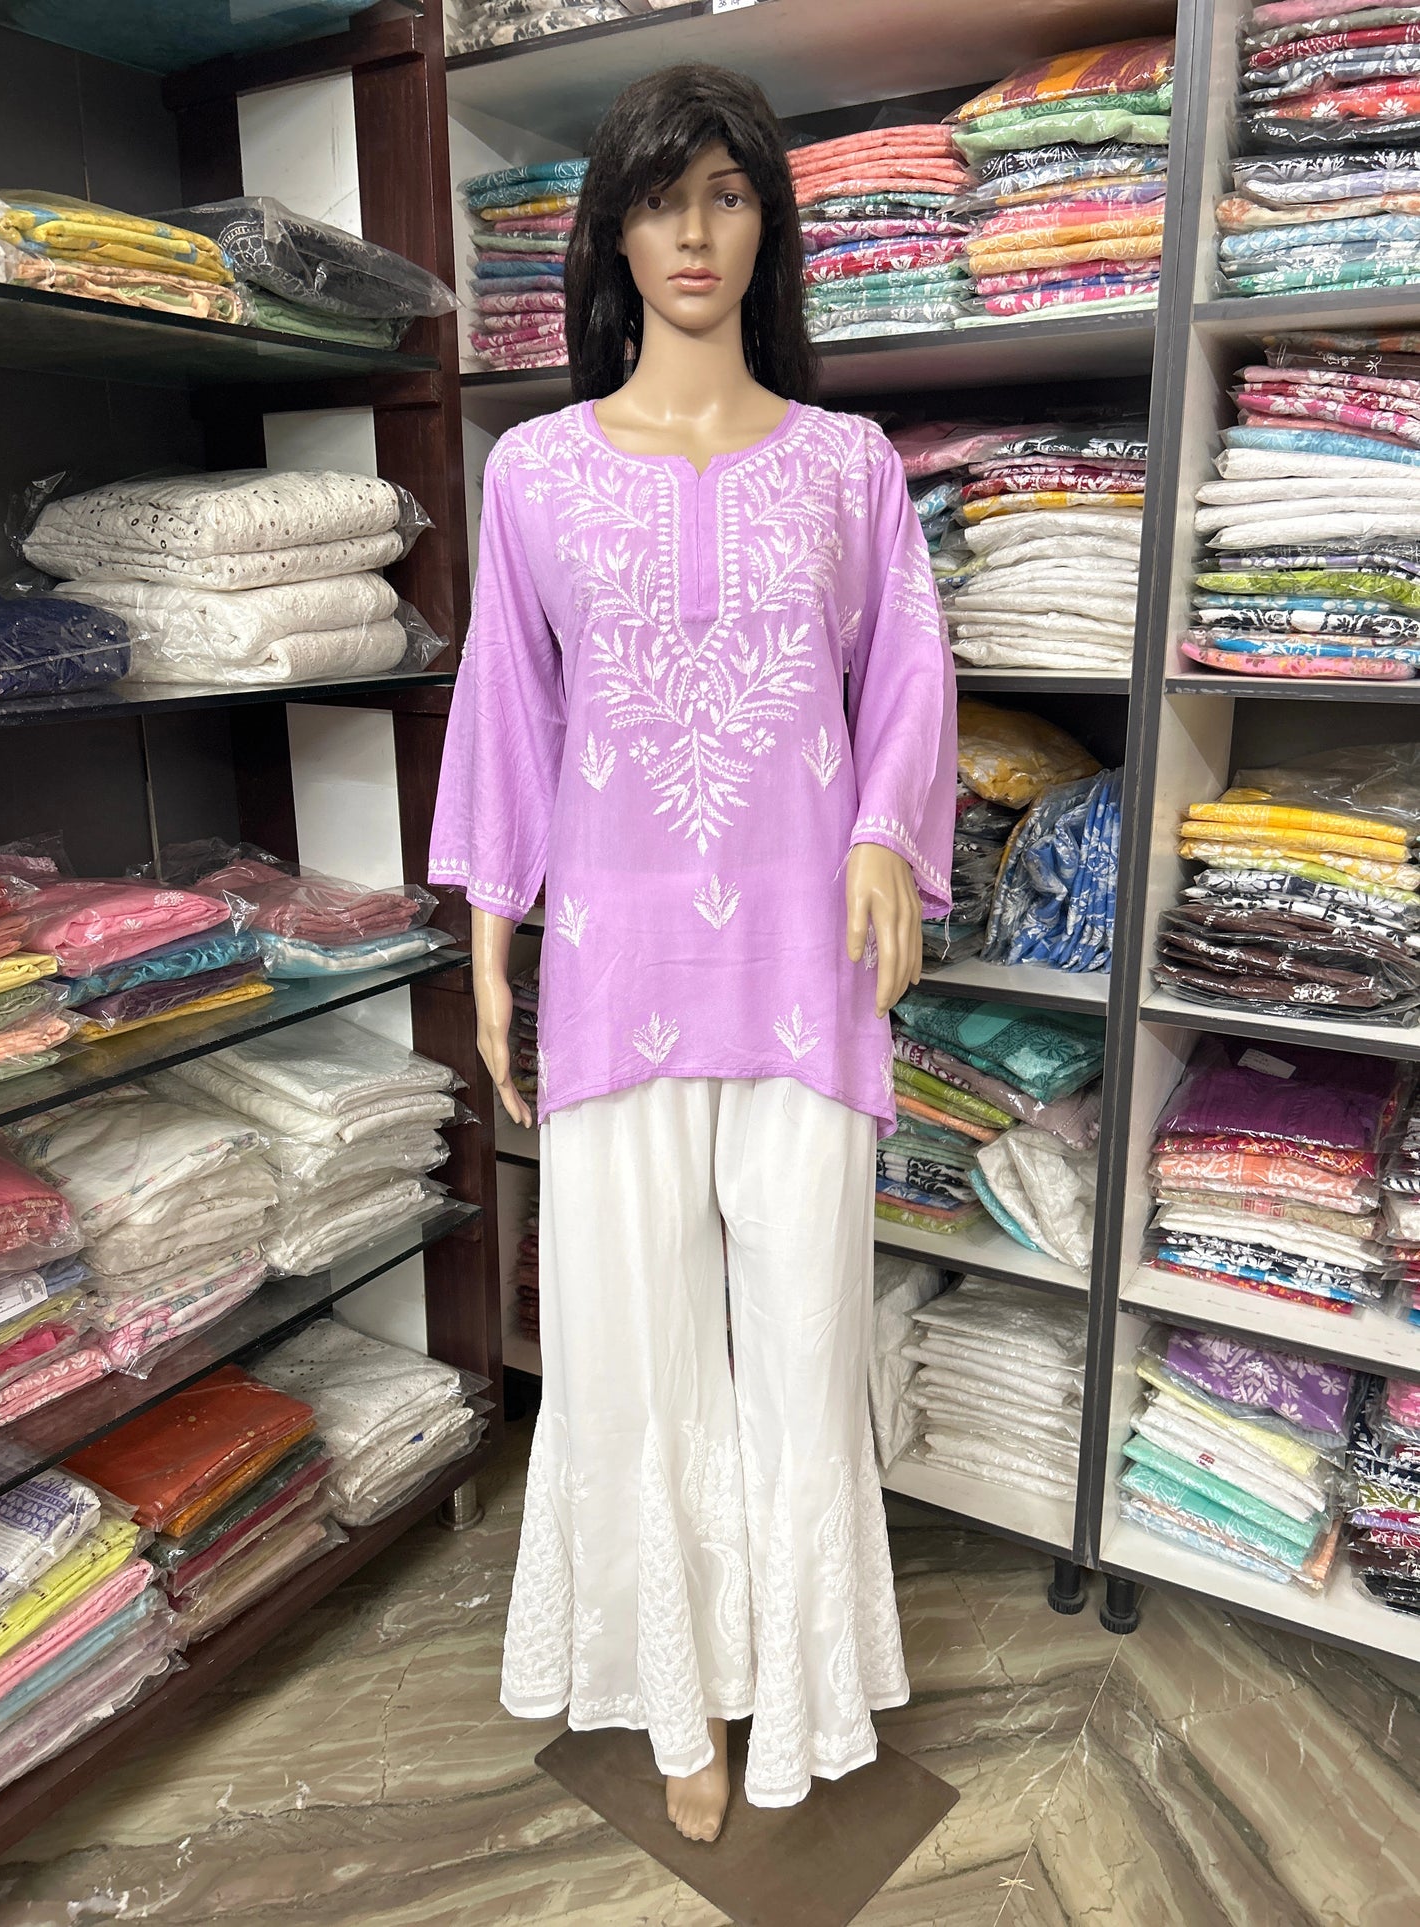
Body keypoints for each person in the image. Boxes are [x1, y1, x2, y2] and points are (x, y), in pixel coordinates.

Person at [430, 61, 956, 1844]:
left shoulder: (846, 466)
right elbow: (505, 711)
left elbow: (905, 688)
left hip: (808, 973)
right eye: (663, 197)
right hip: (611, 971)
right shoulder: (535, 474)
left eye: (729, 194)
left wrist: (886, 828)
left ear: (765, 228)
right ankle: (674, 1698)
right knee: (627, 1343)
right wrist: (490, 948)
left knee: (801, 1340)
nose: (694, 232)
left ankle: (797, 1689)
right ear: (612, 229)